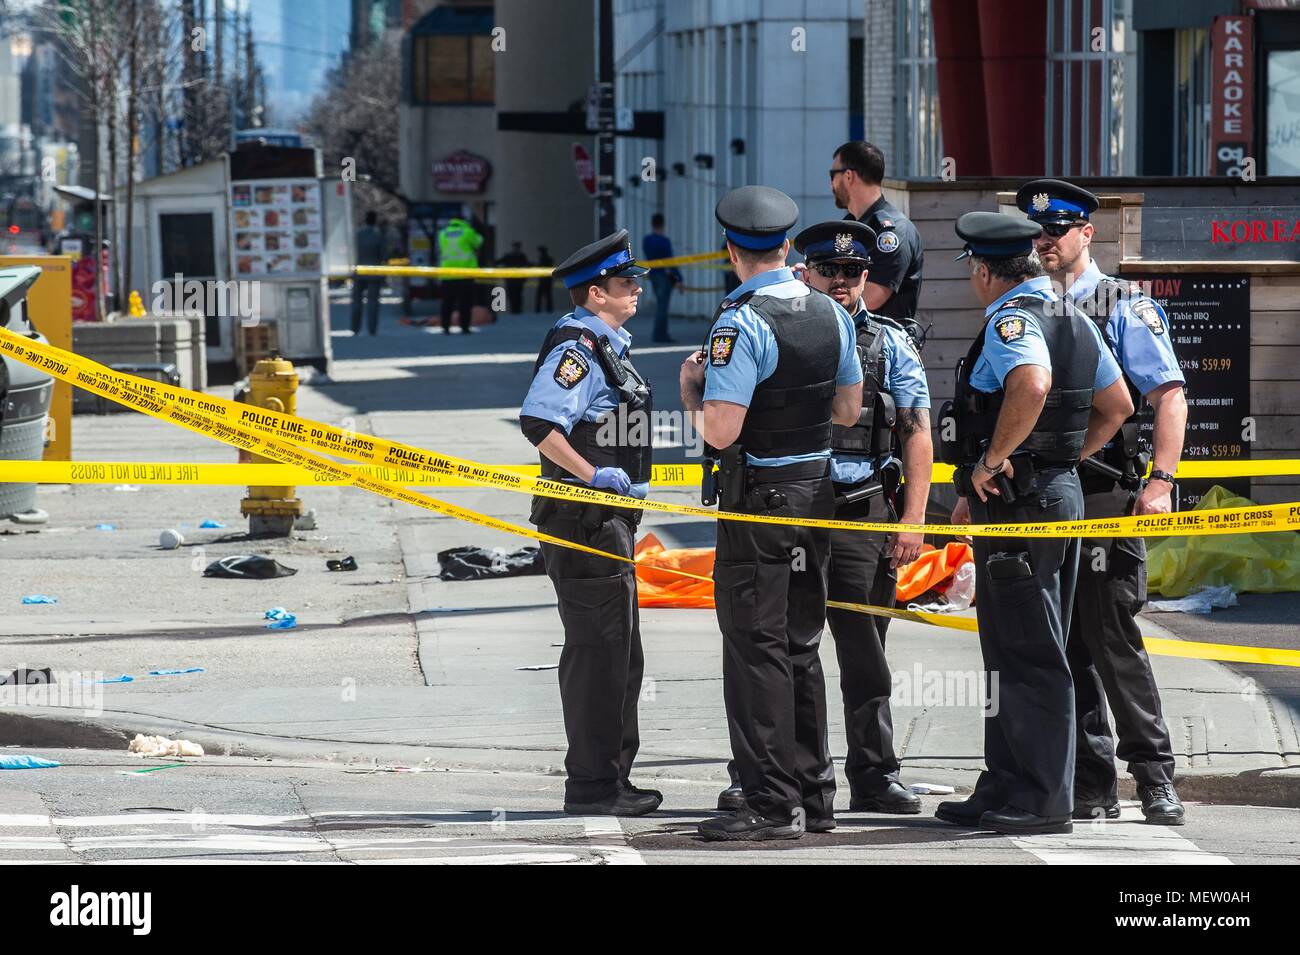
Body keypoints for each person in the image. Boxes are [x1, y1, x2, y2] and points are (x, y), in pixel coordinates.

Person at [934, 211, 1132, 836]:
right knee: (1008, 647)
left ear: (987, 270)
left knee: (1031, 650)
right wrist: (1062, 460)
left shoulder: (1012, 319)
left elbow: (1033, 382)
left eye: (973, 271)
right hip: (1049, 494)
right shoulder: (1072, 314)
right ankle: (1006, 781)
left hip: (1024, 504)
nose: (973, 281)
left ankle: (1045, 798)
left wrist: (996, 460)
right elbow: (1117, 405)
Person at [679, 186, 863, 841]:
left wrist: (690, 391)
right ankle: (815, 793)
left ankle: (767, 800)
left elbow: (722, 431)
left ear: (732, 250)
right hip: (817, 495)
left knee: (755, 647)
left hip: (759, 501)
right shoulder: (832, 313)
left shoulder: (740, 322)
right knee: (801, 645)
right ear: (787, 247)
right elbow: (847, 410)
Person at [1018, 178, 1188, 825]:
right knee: (1065, 644)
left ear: (1087, 233)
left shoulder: (1120, 303)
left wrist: (1161, 482)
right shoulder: (1031, 302)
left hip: (1106, 489)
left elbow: (1168, 394)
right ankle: (1091, 782)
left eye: (1057, 231)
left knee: (1112, 636)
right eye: (1038, 232)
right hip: (1047, 492)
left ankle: (1154, 776)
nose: (1046, 242)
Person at [518, 229, 659, 816]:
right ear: (595, 293)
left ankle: (611, 778)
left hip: (607, 520)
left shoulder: (608, 346)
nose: (635, 293)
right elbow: (538, 421)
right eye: (626, 285)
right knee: (600, 653)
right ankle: (594, 785)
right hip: (583, 519)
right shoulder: (577, 348)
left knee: (622, 654)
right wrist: (587, 474)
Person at [794, 218, 932, 814]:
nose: (844, 281)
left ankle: (874, 774)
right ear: (806, 274)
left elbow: (917, 433)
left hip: (862, 509)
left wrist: (914, 519)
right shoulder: (777, 332)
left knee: (865, 652)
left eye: (853, 271)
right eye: (831, 270)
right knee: (784, 649)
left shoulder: (891, 342)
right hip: (790, 509)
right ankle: (793, 774)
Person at [830, 141, 925, 322]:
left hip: (884, 345)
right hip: (856, 338)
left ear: (848, 176)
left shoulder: (892, 231)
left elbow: (872, 297)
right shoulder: (849, 225)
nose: (831, 185)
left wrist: (816, 299)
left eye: (832, 175)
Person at [642, 213, 684, 343]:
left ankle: (659, 333)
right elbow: (670, 261)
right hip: (664, 277)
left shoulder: (646, 240)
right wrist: (679, 278)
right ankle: (661, 335)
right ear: (663, 225)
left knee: (660, 304)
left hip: (653, 275)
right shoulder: (664, 241)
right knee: (663, 307)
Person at [437, 215, 483, 334]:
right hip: (465, 273)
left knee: (447, 302)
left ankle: (445, 326)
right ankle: (464, 327)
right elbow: (478, 242)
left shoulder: (443, 233)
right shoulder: (467, 232)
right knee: (465, 302)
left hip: (447, 273)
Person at [351, 211, 386, 336]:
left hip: (358, 271)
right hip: (374, 272)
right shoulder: (378, 235)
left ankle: (355, 328)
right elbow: (384, 255)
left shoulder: (357, 234)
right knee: (372, 303)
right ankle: (372, 329)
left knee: (356, 302)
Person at [497, 241, 530, 314]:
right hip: (516, 280)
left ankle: (515, 310)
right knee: (516, 296)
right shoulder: (520, 256)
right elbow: (527, 265)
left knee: (514, 296)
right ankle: (516, 310)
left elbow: (498, 262)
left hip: (513, 280)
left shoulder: (511, 256)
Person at [535, 246, 555, 313]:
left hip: (544, 281)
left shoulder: (543, 259)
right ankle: (548, 309)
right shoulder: (548, 259)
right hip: (547, 281)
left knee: (540, 296)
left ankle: (538, 310)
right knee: (547, 296)